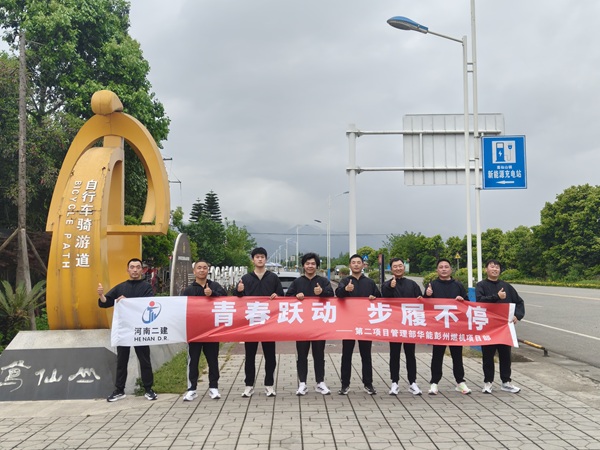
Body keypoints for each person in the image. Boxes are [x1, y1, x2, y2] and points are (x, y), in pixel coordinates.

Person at [97, 258, 157, 402]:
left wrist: (127, 301)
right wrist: (101, 295)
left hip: (140, 330)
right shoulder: (120, 287)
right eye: (132, 267)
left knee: (144, 360)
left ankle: (148, 389)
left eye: (138, 267)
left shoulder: (147, 287)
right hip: (124, 330)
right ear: (127, 270)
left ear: (142, 270)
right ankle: (119, 390)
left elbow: (148, 304)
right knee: (121, 360)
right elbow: (106, 303)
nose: (135, 270)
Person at [236, 247, 284, 397]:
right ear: (253, 260)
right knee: (250, 356)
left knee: (270, 356)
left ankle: (269, 385)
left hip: (269, 322)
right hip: (251, 323)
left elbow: (281, 296)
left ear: (266, 259)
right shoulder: (246, 278)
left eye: (262, 257)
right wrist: (238, 291)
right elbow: (238, 300)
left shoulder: (273, 278)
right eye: (257, 257)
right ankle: (249, 385)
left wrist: (277, 296)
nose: (260, 259)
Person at [286, 252, 334, 396]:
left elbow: (332, 295)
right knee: (302, 355)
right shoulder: (297, 282)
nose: (310, 266)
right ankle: (302, 383)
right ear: (303, 265)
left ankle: (320, 382)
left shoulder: (323, 281)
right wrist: (296, 296)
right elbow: (287, 297)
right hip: (302, 325)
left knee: (319, 354)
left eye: (313, 263)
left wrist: (322, 292)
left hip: (319, 324)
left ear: (317, 266)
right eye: (307, 263)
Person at [476, 259, 525, 394]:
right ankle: (488, 382)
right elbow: (480, 301)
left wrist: (517, 315)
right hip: (488, 327)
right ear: (486, 269)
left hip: (504, 328)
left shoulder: (507, 286)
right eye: (492, 267)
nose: (495, 269)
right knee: (488, 355)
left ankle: (506, 382)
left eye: (497, 267)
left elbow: (519, 302)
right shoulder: (481, 285)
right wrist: (496, 296)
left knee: (505, 355)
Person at [423, 258, 472, 395]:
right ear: (437, 270)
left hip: (455, 327)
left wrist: (462, 300)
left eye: (446, 267)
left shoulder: (458, 285)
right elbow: (425, 305)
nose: (444, 269)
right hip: (439, 327)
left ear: (451, 269)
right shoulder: (432, 285)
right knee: (437, 355)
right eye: (441, 267)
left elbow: (467, 303)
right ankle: (434, 382)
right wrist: (427, 295)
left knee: (457, 355)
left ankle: (460, 382)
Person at [181, 259, 227, 402]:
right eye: (199, 268)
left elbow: (227, 300)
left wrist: (212, 294)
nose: (202, 270)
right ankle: (192, 389)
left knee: (213, 360)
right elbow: (181, 309)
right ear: (194, 271)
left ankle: (214, 387)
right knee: (193, 360)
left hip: (212, 331)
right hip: (194, 332)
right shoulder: (188, 290)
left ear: (208, 270)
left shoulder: (215, 286)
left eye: (205, 268)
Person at [335, 254, 381, 395]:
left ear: (363, 265)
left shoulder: (370, 282)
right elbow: (338, 294)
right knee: (346, 354)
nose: (356, 265)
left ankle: (368, 384)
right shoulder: (345, 281)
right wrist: (345, 290)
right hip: (348, 324)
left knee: (366, 355)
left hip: (365, 323)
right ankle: (345, 384)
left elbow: (379, 298)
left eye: (358, 262)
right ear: (350, 265)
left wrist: (374, 298)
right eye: (353, 262)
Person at [381, 258, 423, 396]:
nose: (398, 268)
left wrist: (422, 298)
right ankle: (394, 382)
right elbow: (384, 297)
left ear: (403, 267)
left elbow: (421, 300)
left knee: (410, 354)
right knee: (394, 354)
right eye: (395, 266)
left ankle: (412, 382)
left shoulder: (412, 284)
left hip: (409, 324)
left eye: (400, 266)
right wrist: (390, 287)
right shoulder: (386, 284)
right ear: (391, 269)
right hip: (394, 324)